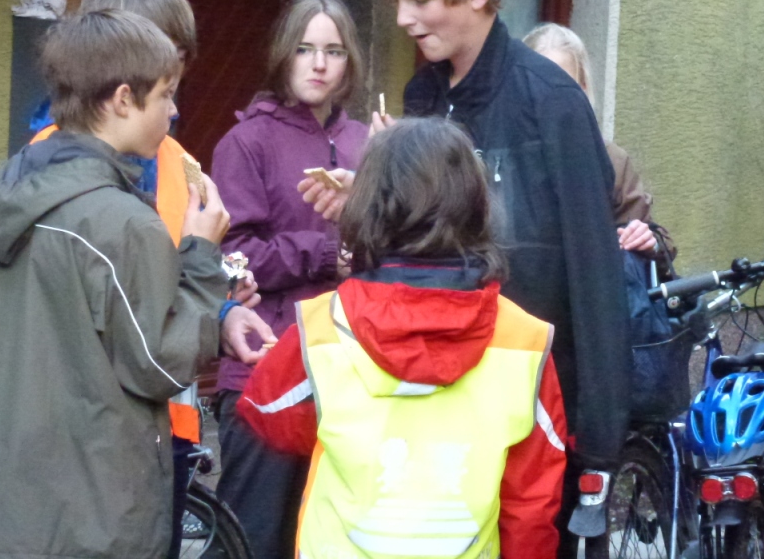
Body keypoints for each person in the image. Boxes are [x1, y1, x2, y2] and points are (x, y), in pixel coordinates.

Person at [301, 0, 629, 554]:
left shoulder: (553, 103)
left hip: (529, 419)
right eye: (399, 0)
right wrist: (370, 199)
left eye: (419, 0)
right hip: (428, 420)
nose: (402, 19)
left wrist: (599, 443)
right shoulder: (423, 95)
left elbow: (596, 277)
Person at [0, 11, 269, 559]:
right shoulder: (122, 223)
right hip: (88, 520)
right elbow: (161, 363)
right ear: (122, 99)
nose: (174, 110)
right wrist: (201, 255)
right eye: (165, 94)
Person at [241, 118, 567, 558]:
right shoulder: (526, 339)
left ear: (366, 205)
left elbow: (268, 416)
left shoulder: (322, 325)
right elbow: (531, 504)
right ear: (476, 205)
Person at [28, 0, 264, 558]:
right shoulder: (48, 163)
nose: (176, 96)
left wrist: (222, 308)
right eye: (164, 71)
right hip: (90, 432)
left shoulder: (177, 160)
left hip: (168, 423)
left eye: (178, 63)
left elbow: (164, 287)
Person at [211, 0, 369, 558]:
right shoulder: (246, 141)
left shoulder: (365, 142)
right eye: (304, 49)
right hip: (265, 370)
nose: (319, 64)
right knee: (252, 543)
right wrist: (326, 255)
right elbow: (231, 256)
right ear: (283, 54)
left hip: (351, 371)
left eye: (333, 51)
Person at [523, 23, 678, 276]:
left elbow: (660, 250)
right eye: (537, 84)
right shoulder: (496, 154)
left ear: (583, 87)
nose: (548, 97)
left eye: (561, 84)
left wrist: (646, 241)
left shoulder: (610, 159)